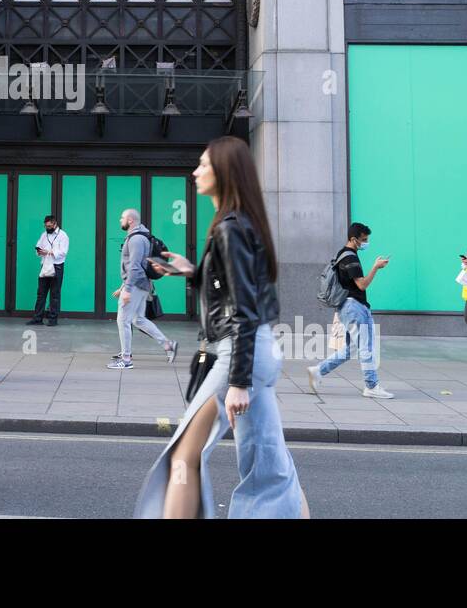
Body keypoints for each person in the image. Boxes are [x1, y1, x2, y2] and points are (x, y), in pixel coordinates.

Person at [135, 136, 306, 519]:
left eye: (203, 165)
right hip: (256, 348)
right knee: (272, 467)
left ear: (224, 173)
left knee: (184, 455)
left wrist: (239, 381)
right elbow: (236, 294)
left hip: (238, 352)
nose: (195, 172)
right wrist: (193, 273)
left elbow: (244, 309)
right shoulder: (242, 223)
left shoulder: (230, 228)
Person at [306, 223, 394, 399]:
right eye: (364, 240)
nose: (366, 243)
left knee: (352, 348)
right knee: (366, 347)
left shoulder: (342, 254)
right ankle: (371, 385)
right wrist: (376, 267)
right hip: (354, 307)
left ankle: (318, 371)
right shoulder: (351, 258)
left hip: (347, 308)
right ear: (354, 239)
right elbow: (361, 284)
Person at [108, 209, 177, 369]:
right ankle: (168, 345)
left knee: (123, 320)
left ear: (130, 220)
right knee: (137, 319)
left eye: (122, 217)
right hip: (141, 284)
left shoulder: (137, 239)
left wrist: (127, 289)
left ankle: (126, 360)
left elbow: (135, 266)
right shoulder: (137, 237)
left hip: (136, 285)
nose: (120, 220)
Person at [28, 215, 69, 326]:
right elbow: (38, 247)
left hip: (57, 266)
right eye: (46, 226)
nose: (48, 228)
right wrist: (39, 251)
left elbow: (63, 252)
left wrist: (49, 252)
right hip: (45, 266)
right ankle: (37, 318)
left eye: (50, 226)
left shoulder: (63, 235)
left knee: (55, 294)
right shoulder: (44, 235)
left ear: (55, 224)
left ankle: (53, 319)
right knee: (41, 293)